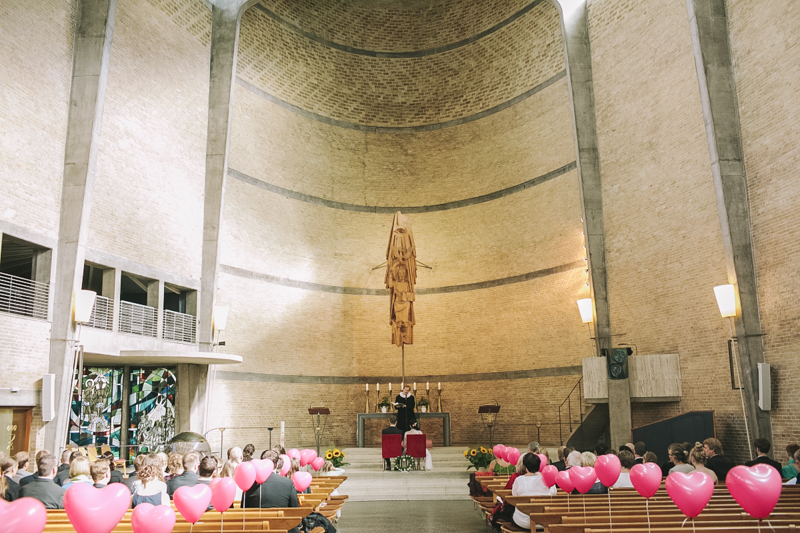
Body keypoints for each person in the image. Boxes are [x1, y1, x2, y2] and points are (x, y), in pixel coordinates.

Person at [511, 454, 555, 529]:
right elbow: (553, 493)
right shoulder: (547, 478)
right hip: (545, 521)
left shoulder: (519, 480)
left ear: (525, 467)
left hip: (523, 522)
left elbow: (514, 495)